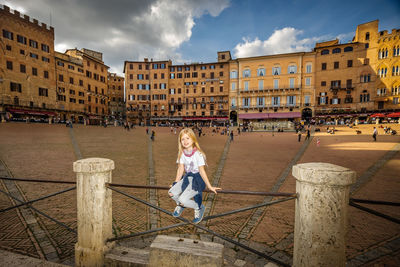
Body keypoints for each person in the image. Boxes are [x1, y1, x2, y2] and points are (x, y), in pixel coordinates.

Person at [168, 128, 221, 224]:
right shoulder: (181, 153)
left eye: (188, 138)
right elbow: (180, 169)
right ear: (180, 141)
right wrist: (175, 184)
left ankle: (198, 207)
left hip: (197, 180)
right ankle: (181, 205)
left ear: (193, 139)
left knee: (182, 199)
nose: (185, 141)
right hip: (187, 178)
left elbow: (202, 171)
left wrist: (209, 186)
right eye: (182, 139)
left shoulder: (198, 154)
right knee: (171, 193)